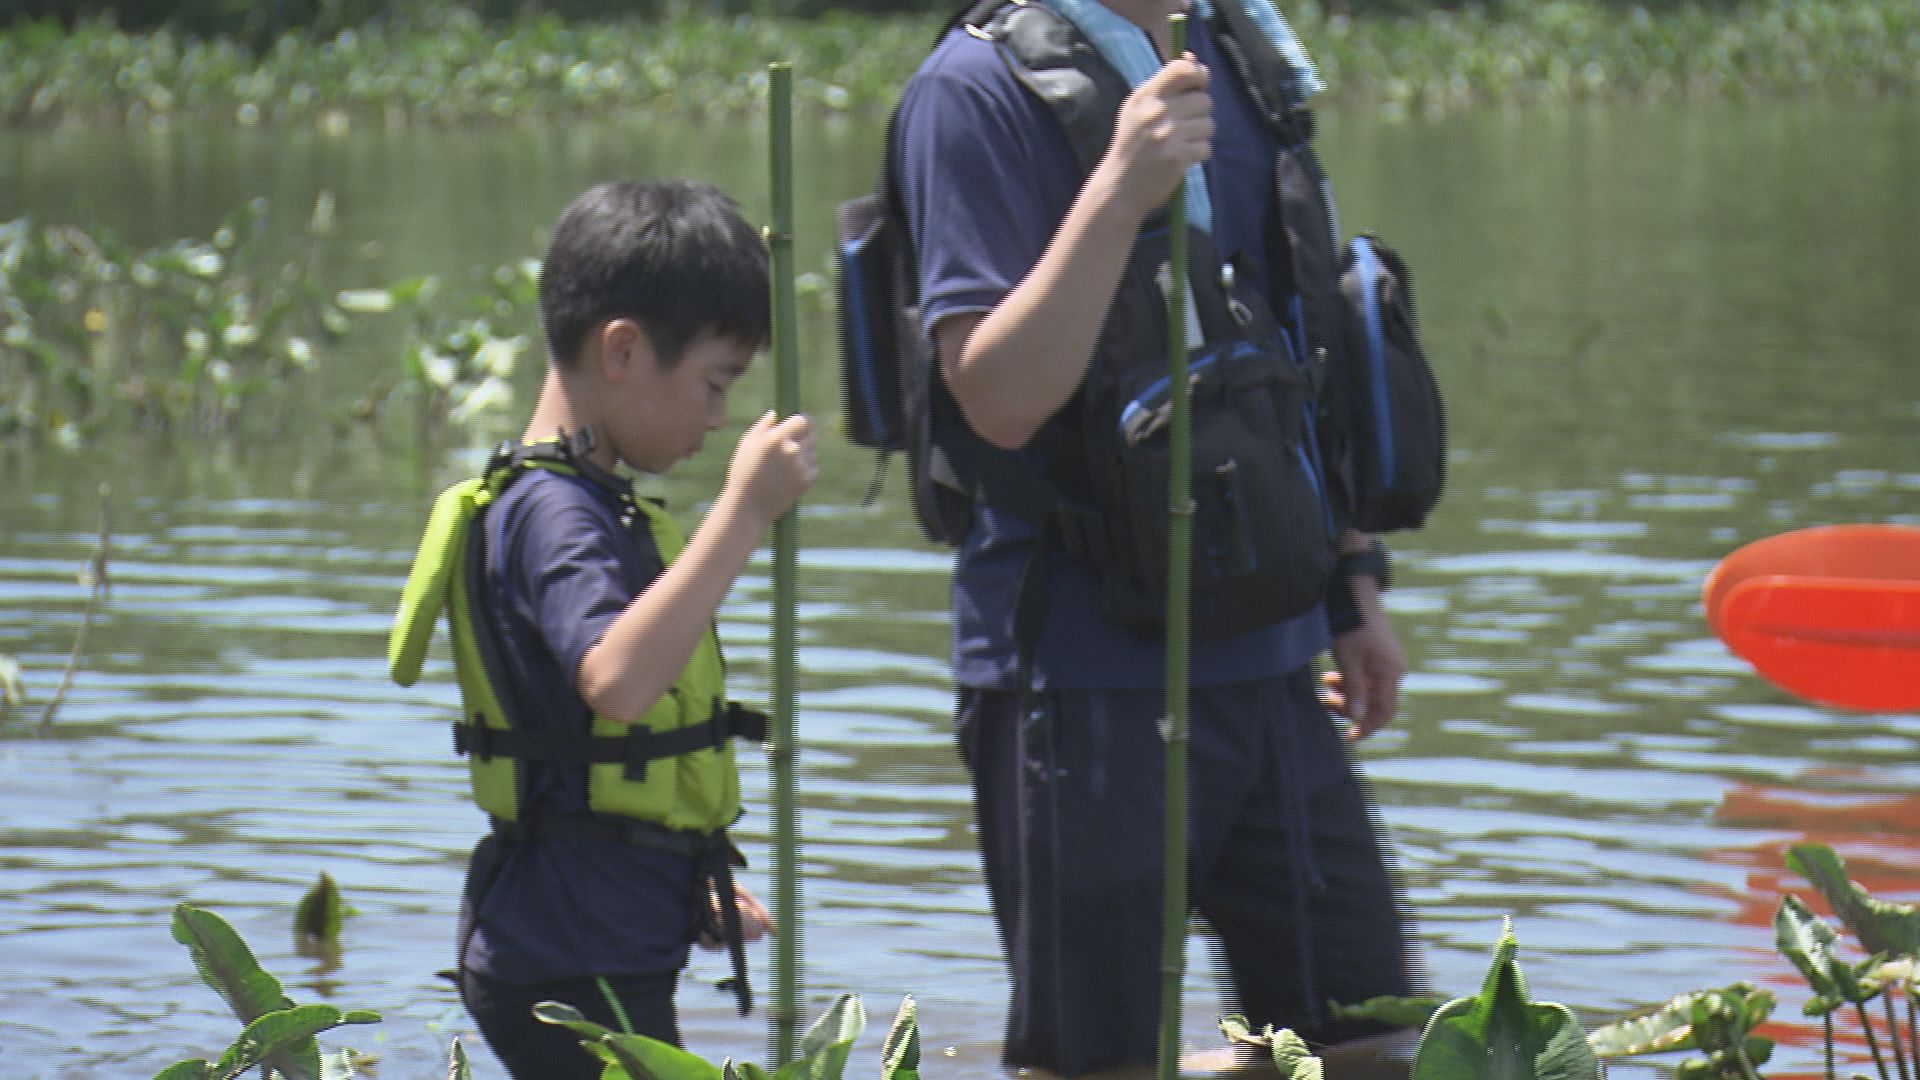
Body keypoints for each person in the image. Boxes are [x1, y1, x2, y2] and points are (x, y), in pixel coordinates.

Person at [891, 1, 1424, 1075]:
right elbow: (994, 397)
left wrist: (1354, 584)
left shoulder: (1238, 53)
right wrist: (1121, 188)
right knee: (1100, 1062)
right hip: (1082, 672)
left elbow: (1300, 341)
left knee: (1370, 1043)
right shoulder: (972, 90)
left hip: (1274, 662)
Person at [389, 179, 818, 1079]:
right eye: (713, 384)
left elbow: (591, 765)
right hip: (572, 953)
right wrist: (743, 512)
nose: (717, 416)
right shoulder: (556, 514)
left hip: (587, 928)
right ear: (621, 350)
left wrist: (681, 878)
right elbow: (617, 681)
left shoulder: (582, 501)